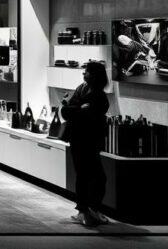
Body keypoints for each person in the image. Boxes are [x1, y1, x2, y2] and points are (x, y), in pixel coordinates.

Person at [61, 61, 110, 227]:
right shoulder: (82, 88)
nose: (84, 74)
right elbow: (67, 112)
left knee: (95, 177)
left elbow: (84, 113)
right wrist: (78, 109)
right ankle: (85, 211)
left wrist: (75, 108)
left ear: (95, 75)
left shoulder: (99, 96)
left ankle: (89, 209)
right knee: (86, 175)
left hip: (90, 140)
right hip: (80, 139)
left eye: (87, 71)